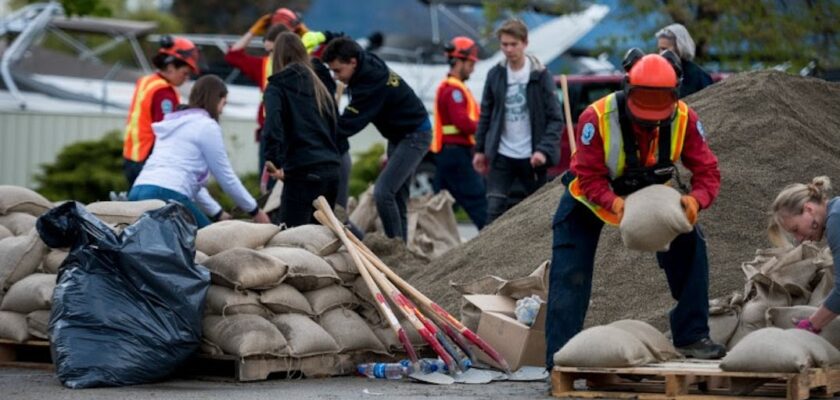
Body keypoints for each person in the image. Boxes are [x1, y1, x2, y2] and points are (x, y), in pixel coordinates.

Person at [545, 49, 724, 369]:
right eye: (644, 120)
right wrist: (615, 204)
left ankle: (692, 334)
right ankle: (560, 359)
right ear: (628, 93)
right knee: (570, 274)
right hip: (589, 200)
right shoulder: (596, 117)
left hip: (652, 195)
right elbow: (588, 175)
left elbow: (708, 172)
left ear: (674, 98)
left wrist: (696, 200)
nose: (651, 127)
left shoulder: (686, 118)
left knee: (693, 245)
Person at [322, 37, 431, 242]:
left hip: (415, 135)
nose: (336, 77)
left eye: (338, 71)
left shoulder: (370, 83)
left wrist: (320, 133)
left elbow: (349, 124)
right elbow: (344, 41)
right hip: (398, 135)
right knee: (397, 197)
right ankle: (402, 249)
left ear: (353, 62)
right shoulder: (363, 60)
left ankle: (394, 250)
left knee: (383, 192)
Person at [129, 75, 270, 227]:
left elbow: (190, 182)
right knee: (209, 241)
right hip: (166, 194)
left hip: (137, 190)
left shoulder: (171, 122)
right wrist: (255, 211)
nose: (222, 111)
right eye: (224, 103)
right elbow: (225, 177)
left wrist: (218, 213)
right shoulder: (207, 126)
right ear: (216, 100)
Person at [472, 18, 563, 225]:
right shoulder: (495, 74)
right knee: (494, 209)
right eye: (504, 44)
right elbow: (486, 113)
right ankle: (489, 255)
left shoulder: (540, 75)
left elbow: (556, 119)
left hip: (532, 156)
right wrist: (479, 149)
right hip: (502, 153)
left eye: (514, 44)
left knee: (537, 211)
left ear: (525, 44)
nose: (509, 49)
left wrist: (543, 150)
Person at [262, 32, 342, 227]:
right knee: (322, 241)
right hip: (331, 169)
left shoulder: (276, 86)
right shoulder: (319, 83)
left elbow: (273, 126)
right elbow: (334, 125)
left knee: (291, 241)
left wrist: (274, 160)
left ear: (277, 57)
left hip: (303, 172)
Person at [123, 36, 199, 187]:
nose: (187, 78)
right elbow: (166, 131)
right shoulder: (164, 92)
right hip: (147, 161)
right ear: (170, 67)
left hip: (132, 157)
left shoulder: (146, 81)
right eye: (185, 73)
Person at [768, 176, 840, 334]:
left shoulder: (836, 219)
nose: (799, 239)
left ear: (809, 209)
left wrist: (811, 325)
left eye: (795, 229)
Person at [431, 36, 488, 230]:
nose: (473, 67)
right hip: (456, 154)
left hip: (449, 154)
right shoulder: (453, 91)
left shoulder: (452, 88)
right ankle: (494, 243)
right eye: (471, 63)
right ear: (459, 61)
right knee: (478, 200)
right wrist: (486, 127)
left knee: (440, 204)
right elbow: (463, 123)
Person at [656, 23, 713, 98]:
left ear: (680, 47)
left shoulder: (699, 76)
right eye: (659, 49)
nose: (661, 54)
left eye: (665, 49)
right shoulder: (657, 75)